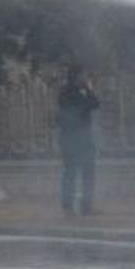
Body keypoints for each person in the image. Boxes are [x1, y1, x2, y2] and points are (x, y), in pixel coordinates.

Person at [57, 65, 99, 215]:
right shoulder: (69, 93)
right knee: (74, 172)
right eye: (84, 76)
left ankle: (82, 205)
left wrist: (88, 90)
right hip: (74, 137)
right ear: (76, 77)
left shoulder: (74, 92)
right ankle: (72, 206)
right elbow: (91, 105)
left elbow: (95, 104)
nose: (86, 78)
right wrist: (88, 90)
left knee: (83, 171)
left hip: (79, 137)